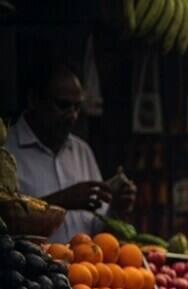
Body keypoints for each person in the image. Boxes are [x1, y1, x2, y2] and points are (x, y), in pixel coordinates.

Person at [4, 64, 137, 243]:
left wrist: (116, 209)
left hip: (85, 269)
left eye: (77, 107)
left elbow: (98, 234)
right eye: (63, 105)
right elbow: (6, 222)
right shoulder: (7, 151)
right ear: (34, 100)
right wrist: (61, 201)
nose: (72, 115)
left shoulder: (82, 152)